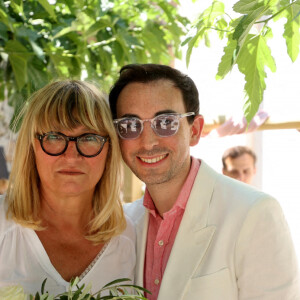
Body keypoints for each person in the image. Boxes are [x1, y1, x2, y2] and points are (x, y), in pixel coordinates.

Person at [109, 64, 300, 300]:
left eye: (166, 122)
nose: (147, 142)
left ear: (195, 130)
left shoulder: (255, 214)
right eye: (131, 126)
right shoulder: (123, 225)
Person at [0, 80, 135, 295]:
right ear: (32, 146)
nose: (71, 156)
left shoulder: (132, 238)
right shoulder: (3, 226)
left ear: (109, 149)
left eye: (89, 137)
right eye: (54, 136)